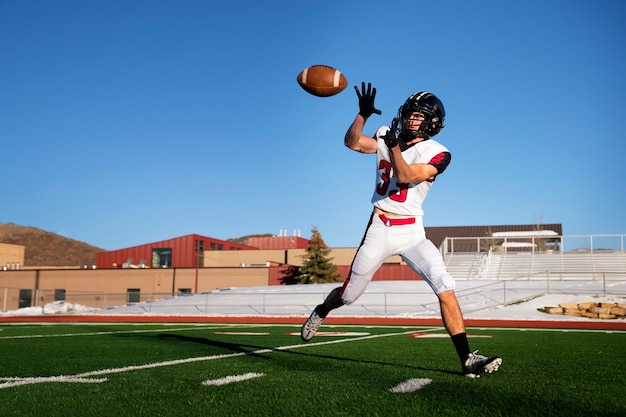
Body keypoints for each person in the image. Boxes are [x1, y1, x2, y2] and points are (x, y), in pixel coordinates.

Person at [300, 82, 502, 378]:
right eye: (409, 113)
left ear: (432, 122)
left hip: (412, 232)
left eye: (418, 115)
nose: (410, 119)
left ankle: (467, 359)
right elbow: (352, 143)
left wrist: (392, 144)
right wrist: (362, 116)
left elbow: (406, 175)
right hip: (380, 226)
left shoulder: (438, 153)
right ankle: (322, 310)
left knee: (445, 285)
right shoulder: (386, 135)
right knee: (349, 296)